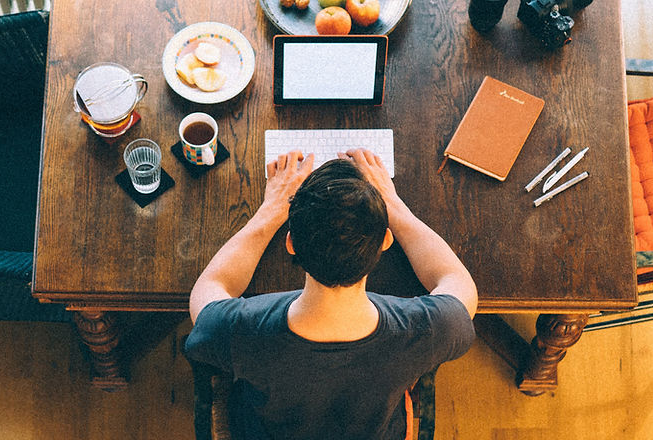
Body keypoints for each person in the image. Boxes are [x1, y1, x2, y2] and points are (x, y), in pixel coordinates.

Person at [184, 149, 478, 439]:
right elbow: (457, 283)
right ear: (386, 241)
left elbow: (209, 288)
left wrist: (270, 211)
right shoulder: (425, 332)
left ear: (291, 244)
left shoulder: (240, 332)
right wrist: (395, 207)